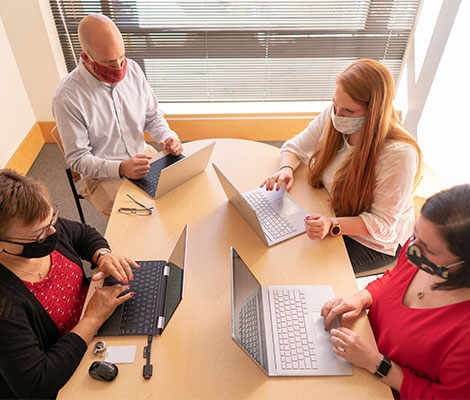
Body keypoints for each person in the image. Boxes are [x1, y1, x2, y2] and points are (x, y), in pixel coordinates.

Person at [261, 59, 422, 274]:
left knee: (297, 266)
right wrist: (286, 170)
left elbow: (382, 225)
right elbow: (295, 146)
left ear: (374, 112)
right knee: (274, 238)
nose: (337, 116)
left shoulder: (398, 155)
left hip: (372, 241)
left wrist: (332, 224)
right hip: (330, 208)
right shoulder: (335, 114)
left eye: (348, 111)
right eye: (335, 104)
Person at [321, 184, 470, 399]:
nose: (412, 248)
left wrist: (377, 364)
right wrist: (361, 297)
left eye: (429, 249)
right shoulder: (421, 256)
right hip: (359, 349)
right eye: (414, 234)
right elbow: (393, 278)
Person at [0, 169, 139, 399]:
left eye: (52, 218)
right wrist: (92, 319)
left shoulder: (45, 227)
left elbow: (83, 234)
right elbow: (38, 384)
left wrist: (103, 255)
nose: (53, 231)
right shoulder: (6, 306)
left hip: (97, 325)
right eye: (40, 235)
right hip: (69, 367)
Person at [52, 13, 183, 220]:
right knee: (137, 223)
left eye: (122, 57)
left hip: (143, 156)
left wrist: (167, 136)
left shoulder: (133, 70)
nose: (120, 67)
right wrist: (122, 168)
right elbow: (78, 160)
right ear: (86, 57)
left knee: (182, 198)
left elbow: (153, 117)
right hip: (103, 175)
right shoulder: (67, 97)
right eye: (110, 63)